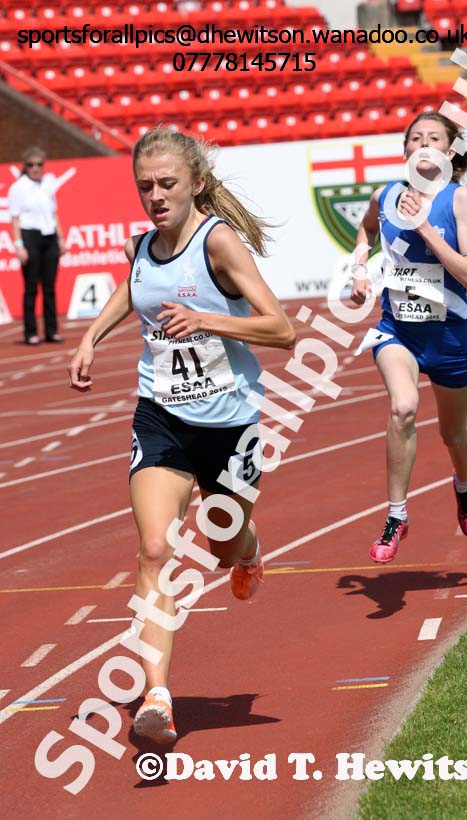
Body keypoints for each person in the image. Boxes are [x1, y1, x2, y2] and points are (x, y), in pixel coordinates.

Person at [68, 127, 295, 744]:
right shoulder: (143, 247)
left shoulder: (216, 243)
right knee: (153, 550)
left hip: (232, 425)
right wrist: (93, 336)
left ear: (196, 182)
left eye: (167, 183)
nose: (155, 195)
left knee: (223, 546)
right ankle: (158, 699)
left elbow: (281, 329)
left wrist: (208, 320)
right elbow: (135, 286)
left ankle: (246, 548)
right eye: (145, 185)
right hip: (161, 417)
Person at [351, 111, 467, 565]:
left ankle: (464, 487)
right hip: (397, 331)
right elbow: (365, 231)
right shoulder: (385, 195)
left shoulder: (458, 199)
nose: (423, 143)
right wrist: (358, 271)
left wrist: (425, 228)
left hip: (449, 338)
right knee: (403, 407)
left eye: (434, 138)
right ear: (405, 150)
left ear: (448, 153)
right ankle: (396, 515)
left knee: (453, 433)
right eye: (415, 138)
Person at [8, 147, 65, 345]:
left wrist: (61, 238)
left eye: (39, 164)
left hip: (49, 238)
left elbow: (54, 214)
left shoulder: (47, 184)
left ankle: (51, 331)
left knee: (49, 287)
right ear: (24, 166)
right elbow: (14, 219)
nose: (35, 168)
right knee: (31, 287)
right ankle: (30, 332)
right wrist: (19, 246)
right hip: (29, 237)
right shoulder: (18, 188)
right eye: (31, 165)